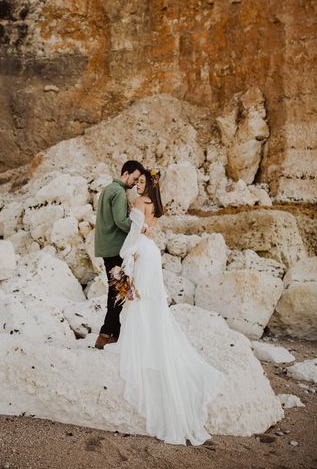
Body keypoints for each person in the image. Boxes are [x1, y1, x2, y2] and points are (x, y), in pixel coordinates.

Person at [105, 169, 226, 445]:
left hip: (141, 252)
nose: (138, 185)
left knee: (138, 300)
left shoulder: (138, 204)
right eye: (137, 181)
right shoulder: (156, 207)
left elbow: (134, 234)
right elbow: (148, 230)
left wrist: (125, 260)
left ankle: (143, 347)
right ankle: (154, 341)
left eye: (142, 182)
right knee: (151, 301)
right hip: (152, 252)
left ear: (149, 185)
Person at [94, 160, 145, 350]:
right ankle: (105, 333)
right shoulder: (118, 192)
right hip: (115, 247)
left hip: (105, 246)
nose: (134, 183)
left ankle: (113, 332)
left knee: (115, 290)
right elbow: (121, 221)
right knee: (116, 291)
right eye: (134, 178)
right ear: (126, 173)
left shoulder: (108, 189)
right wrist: (139, 226)